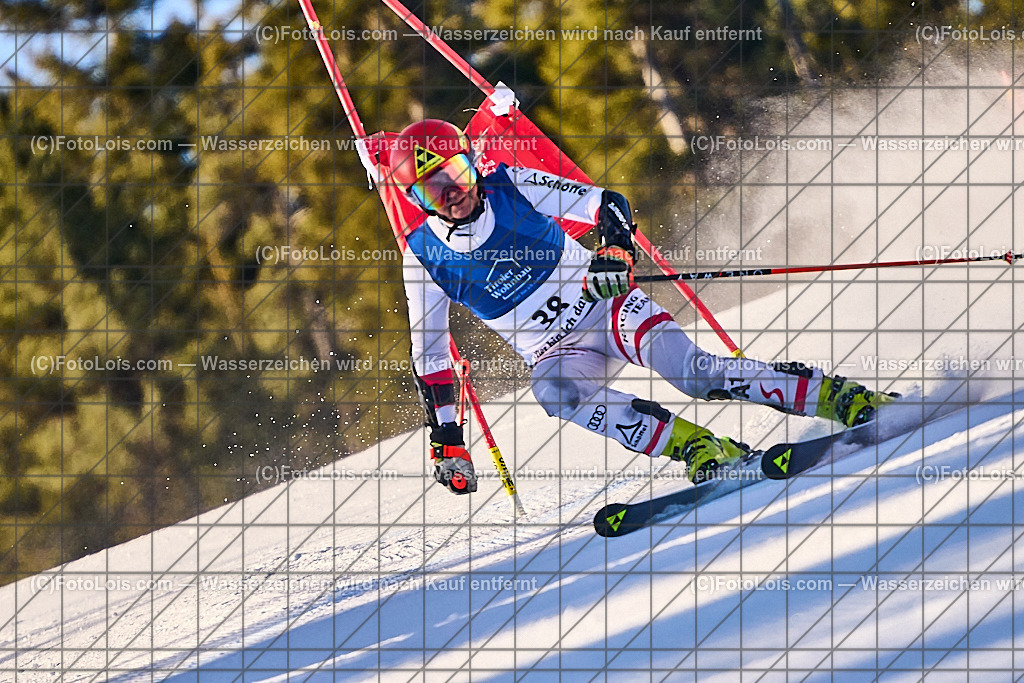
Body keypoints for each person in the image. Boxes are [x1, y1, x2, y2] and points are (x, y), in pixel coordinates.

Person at [389, 119, 895, 494]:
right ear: (418, 198)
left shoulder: (509, 185)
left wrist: (613, 250)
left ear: (470, 162)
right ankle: (701, 448)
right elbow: (430, 356)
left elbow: (603, 203)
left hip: (607, 310)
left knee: (696, 375)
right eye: (433, 187)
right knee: (553, 390)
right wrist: (448, 435)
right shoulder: (423, 257)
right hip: (556, 351)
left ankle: (835, 396)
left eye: (454, 172)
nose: (451, 193)